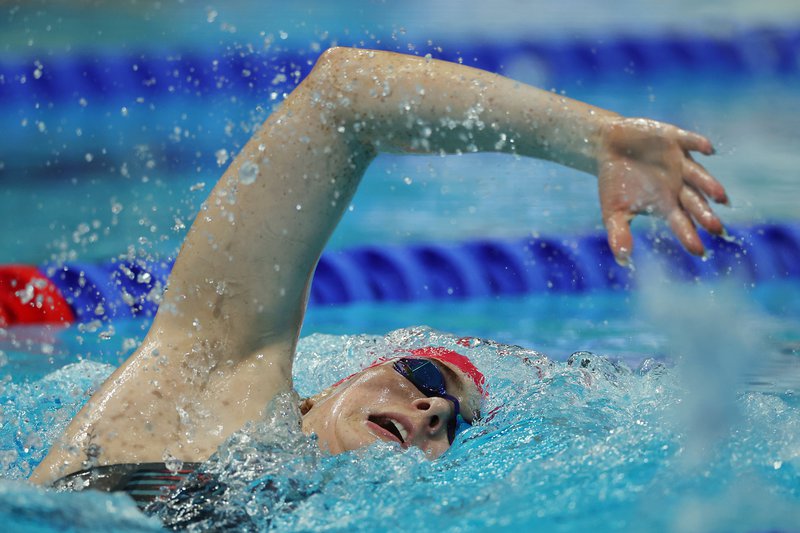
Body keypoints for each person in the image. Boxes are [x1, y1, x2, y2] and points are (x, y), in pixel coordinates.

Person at [29, 47, 727, 499]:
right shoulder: (204, 385)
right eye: (427, 378)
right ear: (333, 382)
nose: (433, 410)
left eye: (457, 426)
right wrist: (593, 139)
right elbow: (340, 99)